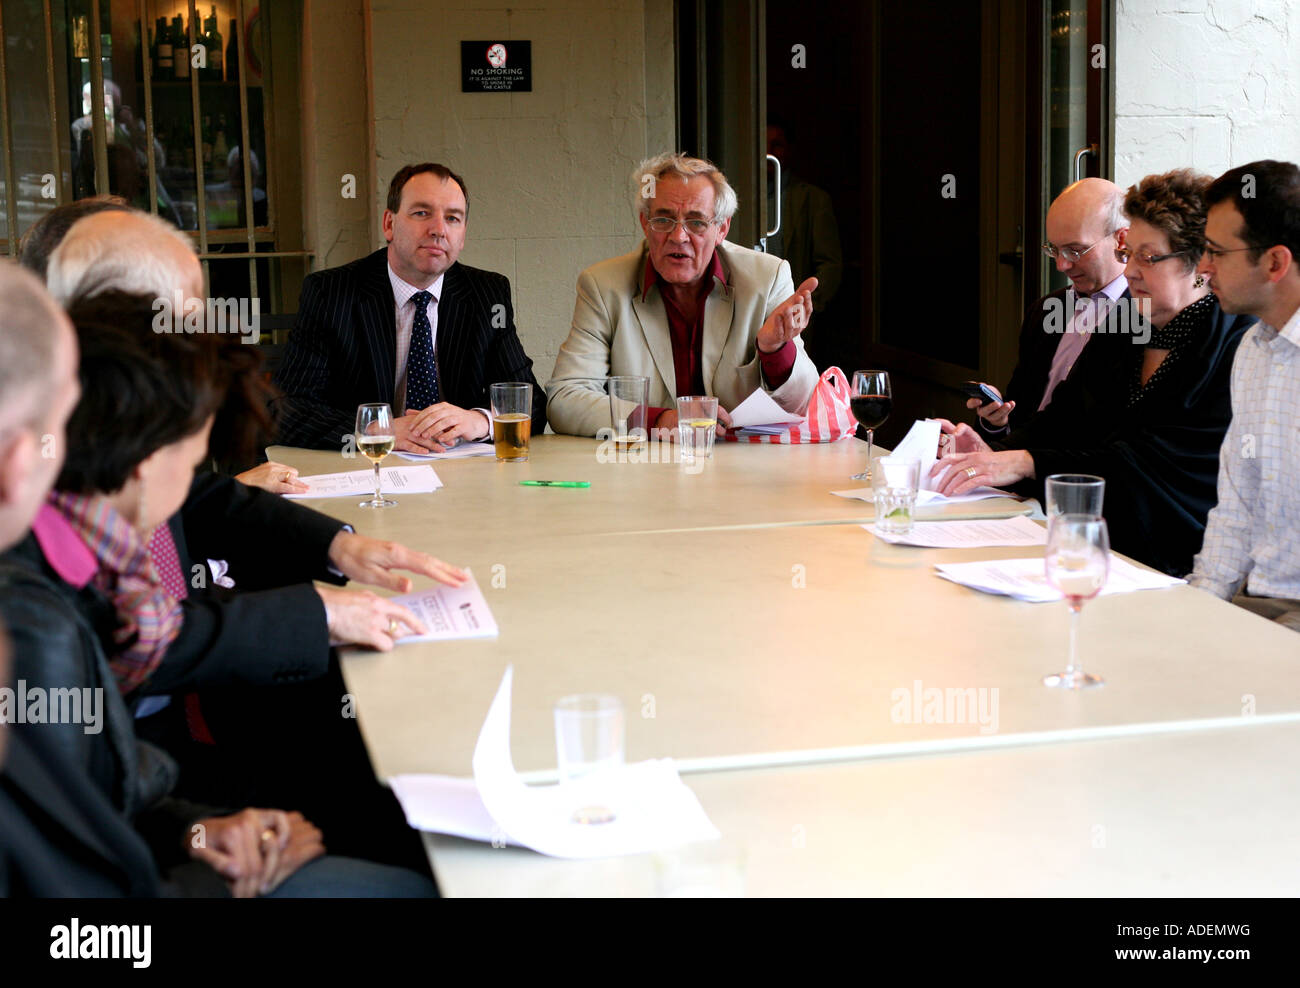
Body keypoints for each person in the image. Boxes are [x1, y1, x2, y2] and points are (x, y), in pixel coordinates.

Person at [0, 295, 434, 896]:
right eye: (193, 456)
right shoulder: (33, 627)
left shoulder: (79, 559)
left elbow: (95, 798)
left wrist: (199, 832)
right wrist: (222, 876)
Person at [933, 169, 1257, 577]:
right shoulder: (1129, 320)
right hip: (1096, 539)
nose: (1132, 271)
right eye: (1129, 254)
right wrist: (991, 454)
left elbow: (1152, 465)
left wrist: (1026, 462)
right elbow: (1064, 417)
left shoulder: (1237, 343)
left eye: (1148, 257)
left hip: (1183, 558)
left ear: (1200, 263)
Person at [273, 162, 547, 451]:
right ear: (389, 224)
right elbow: (285, 409)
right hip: (369, 472)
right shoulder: (331, 294)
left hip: (460, 473)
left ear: (463, 235)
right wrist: (379, 430)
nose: (439, 230)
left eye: (453, 218)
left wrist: (478, 421)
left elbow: (532, 404)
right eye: (421, 213)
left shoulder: (486, 295)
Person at [546, 152, 820, 438]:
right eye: (663, 220)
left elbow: (803, 403)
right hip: (644, 465)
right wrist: (660, 421)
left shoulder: (766, 278)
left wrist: (774, 350)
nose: (678, 236)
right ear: (644, 223)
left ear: (721, 229)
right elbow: (565, 399)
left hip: (743, 464)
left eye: (696, 222)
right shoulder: (603, 286)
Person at [1189, 160, 1300, 631]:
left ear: (1275, 262)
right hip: (1258, 601)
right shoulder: (1252, 350)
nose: (1203, 267)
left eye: (1216, 252)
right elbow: (1235, 506)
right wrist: (1195, 611)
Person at [963, 178, 1130, 435]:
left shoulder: (1148, 319)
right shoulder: (1045, 310)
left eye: (1075, 250)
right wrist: (996, 422)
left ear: (1121, 241)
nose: (1061, 265)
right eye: (1054, 249)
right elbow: (1020, 415)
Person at [766, 119, 843, 313]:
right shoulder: (742, 196)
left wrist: (807, 304)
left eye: (777, 145)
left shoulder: (813, 199)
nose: (768, 152)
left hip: (793, 311)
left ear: (789, 150)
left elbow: (830, 265)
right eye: (763, 143)